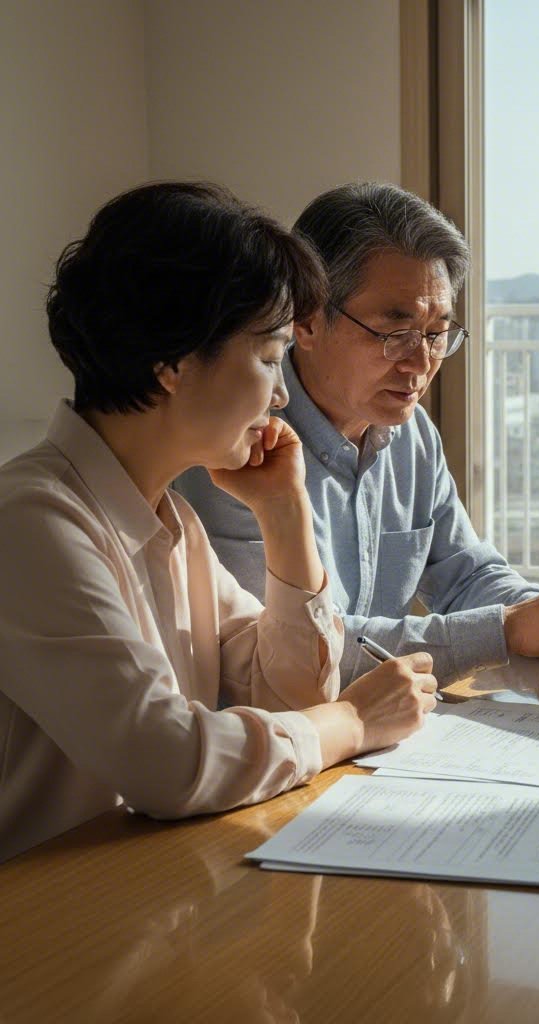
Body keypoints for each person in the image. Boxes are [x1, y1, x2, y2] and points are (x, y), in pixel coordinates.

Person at [0, 182, 438, 862]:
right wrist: (350, 721)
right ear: (174, 362)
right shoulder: (30, 523)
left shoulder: (170, 521)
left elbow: (289, 694)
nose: (283, 393)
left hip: (146, 887)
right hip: (45, 921)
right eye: (268, 359)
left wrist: (285, 512)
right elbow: (167, 763)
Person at [176, 182, 539, 686]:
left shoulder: (410, 431)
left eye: (437, 333)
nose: (421, 364)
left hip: (384, 730)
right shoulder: (237, 444)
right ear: (307, 321)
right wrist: (506, 630)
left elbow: (466, 572)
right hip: (281, 740)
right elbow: (297, 653)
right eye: (394, 332)